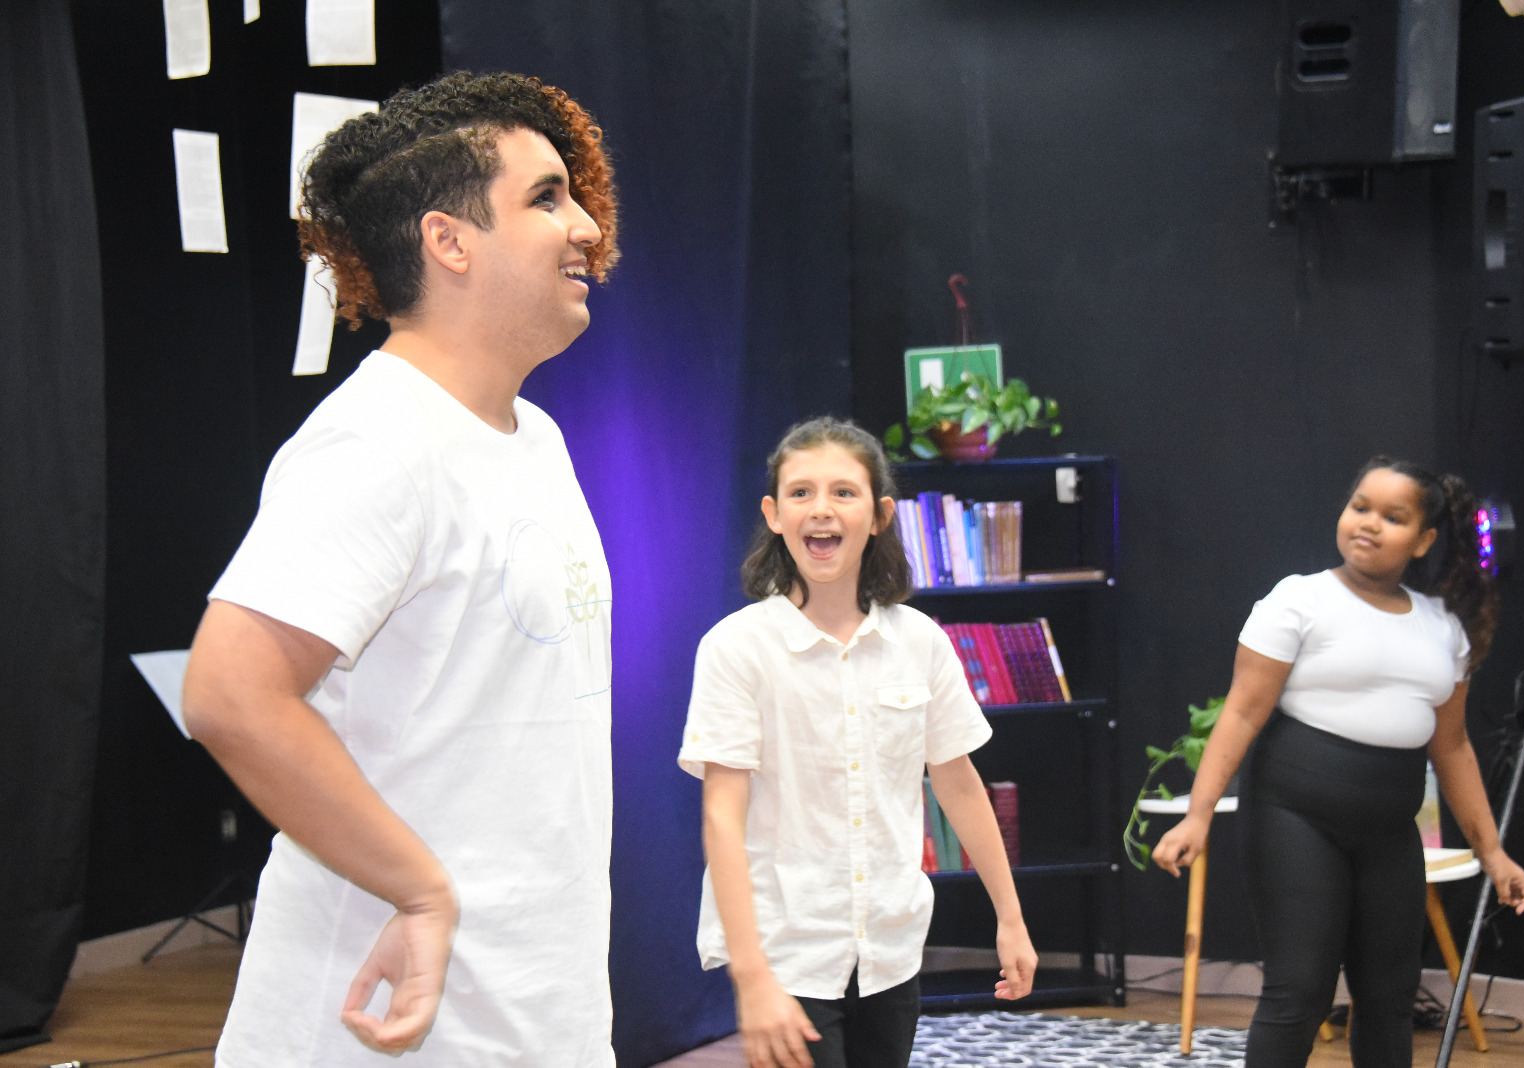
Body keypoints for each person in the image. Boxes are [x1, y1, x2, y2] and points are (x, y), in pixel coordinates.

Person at [182, 70, 619, 1067]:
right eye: (546, 198)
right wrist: (419, 891)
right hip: (379, 1021)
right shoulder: (379, 440)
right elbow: (230, 693)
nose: (587, 226)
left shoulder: (538, 438)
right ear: (448, 240)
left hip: (529, 1009)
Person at [677, 417, 1039, 1068]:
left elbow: (958, 784)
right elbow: (722, 818)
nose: (822, 509)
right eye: (801, 492)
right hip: (786, 953)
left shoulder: (921, 641)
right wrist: (752, 977)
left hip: (891, 951)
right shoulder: (735, 648)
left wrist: (1009, 917)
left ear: (879, 516)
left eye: (844, 492)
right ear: (774, 514)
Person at [1152, 456, 1524, 1068]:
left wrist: (1492, 852)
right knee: (1299, 992)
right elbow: (1242, 713)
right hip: (1293, 817)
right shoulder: (1298, 600)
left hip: (1389, 832)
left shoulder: (1443, 628)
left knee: (1389, 999)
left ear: (1424, 540)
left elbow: (1453, 746)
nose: (1369, 523)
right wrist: (1198, 815)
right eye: (1360, 507)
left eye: (1393, 517)